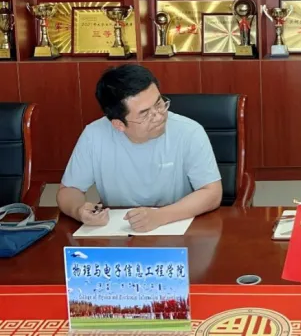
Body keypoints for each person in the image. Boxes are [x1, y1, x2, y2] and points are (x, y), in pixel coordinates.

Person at [57, 65, 223, 233]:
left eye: (159, 103)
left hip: (176, 226)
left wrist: (160, 216)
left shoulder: (189, 131)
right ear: (119, 124)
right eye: (145, 114)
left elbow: (212, 193)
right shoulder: (94, 136)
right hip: (118, 231)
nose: (158, 116)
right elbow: (69, 190)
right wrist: (78, 211)